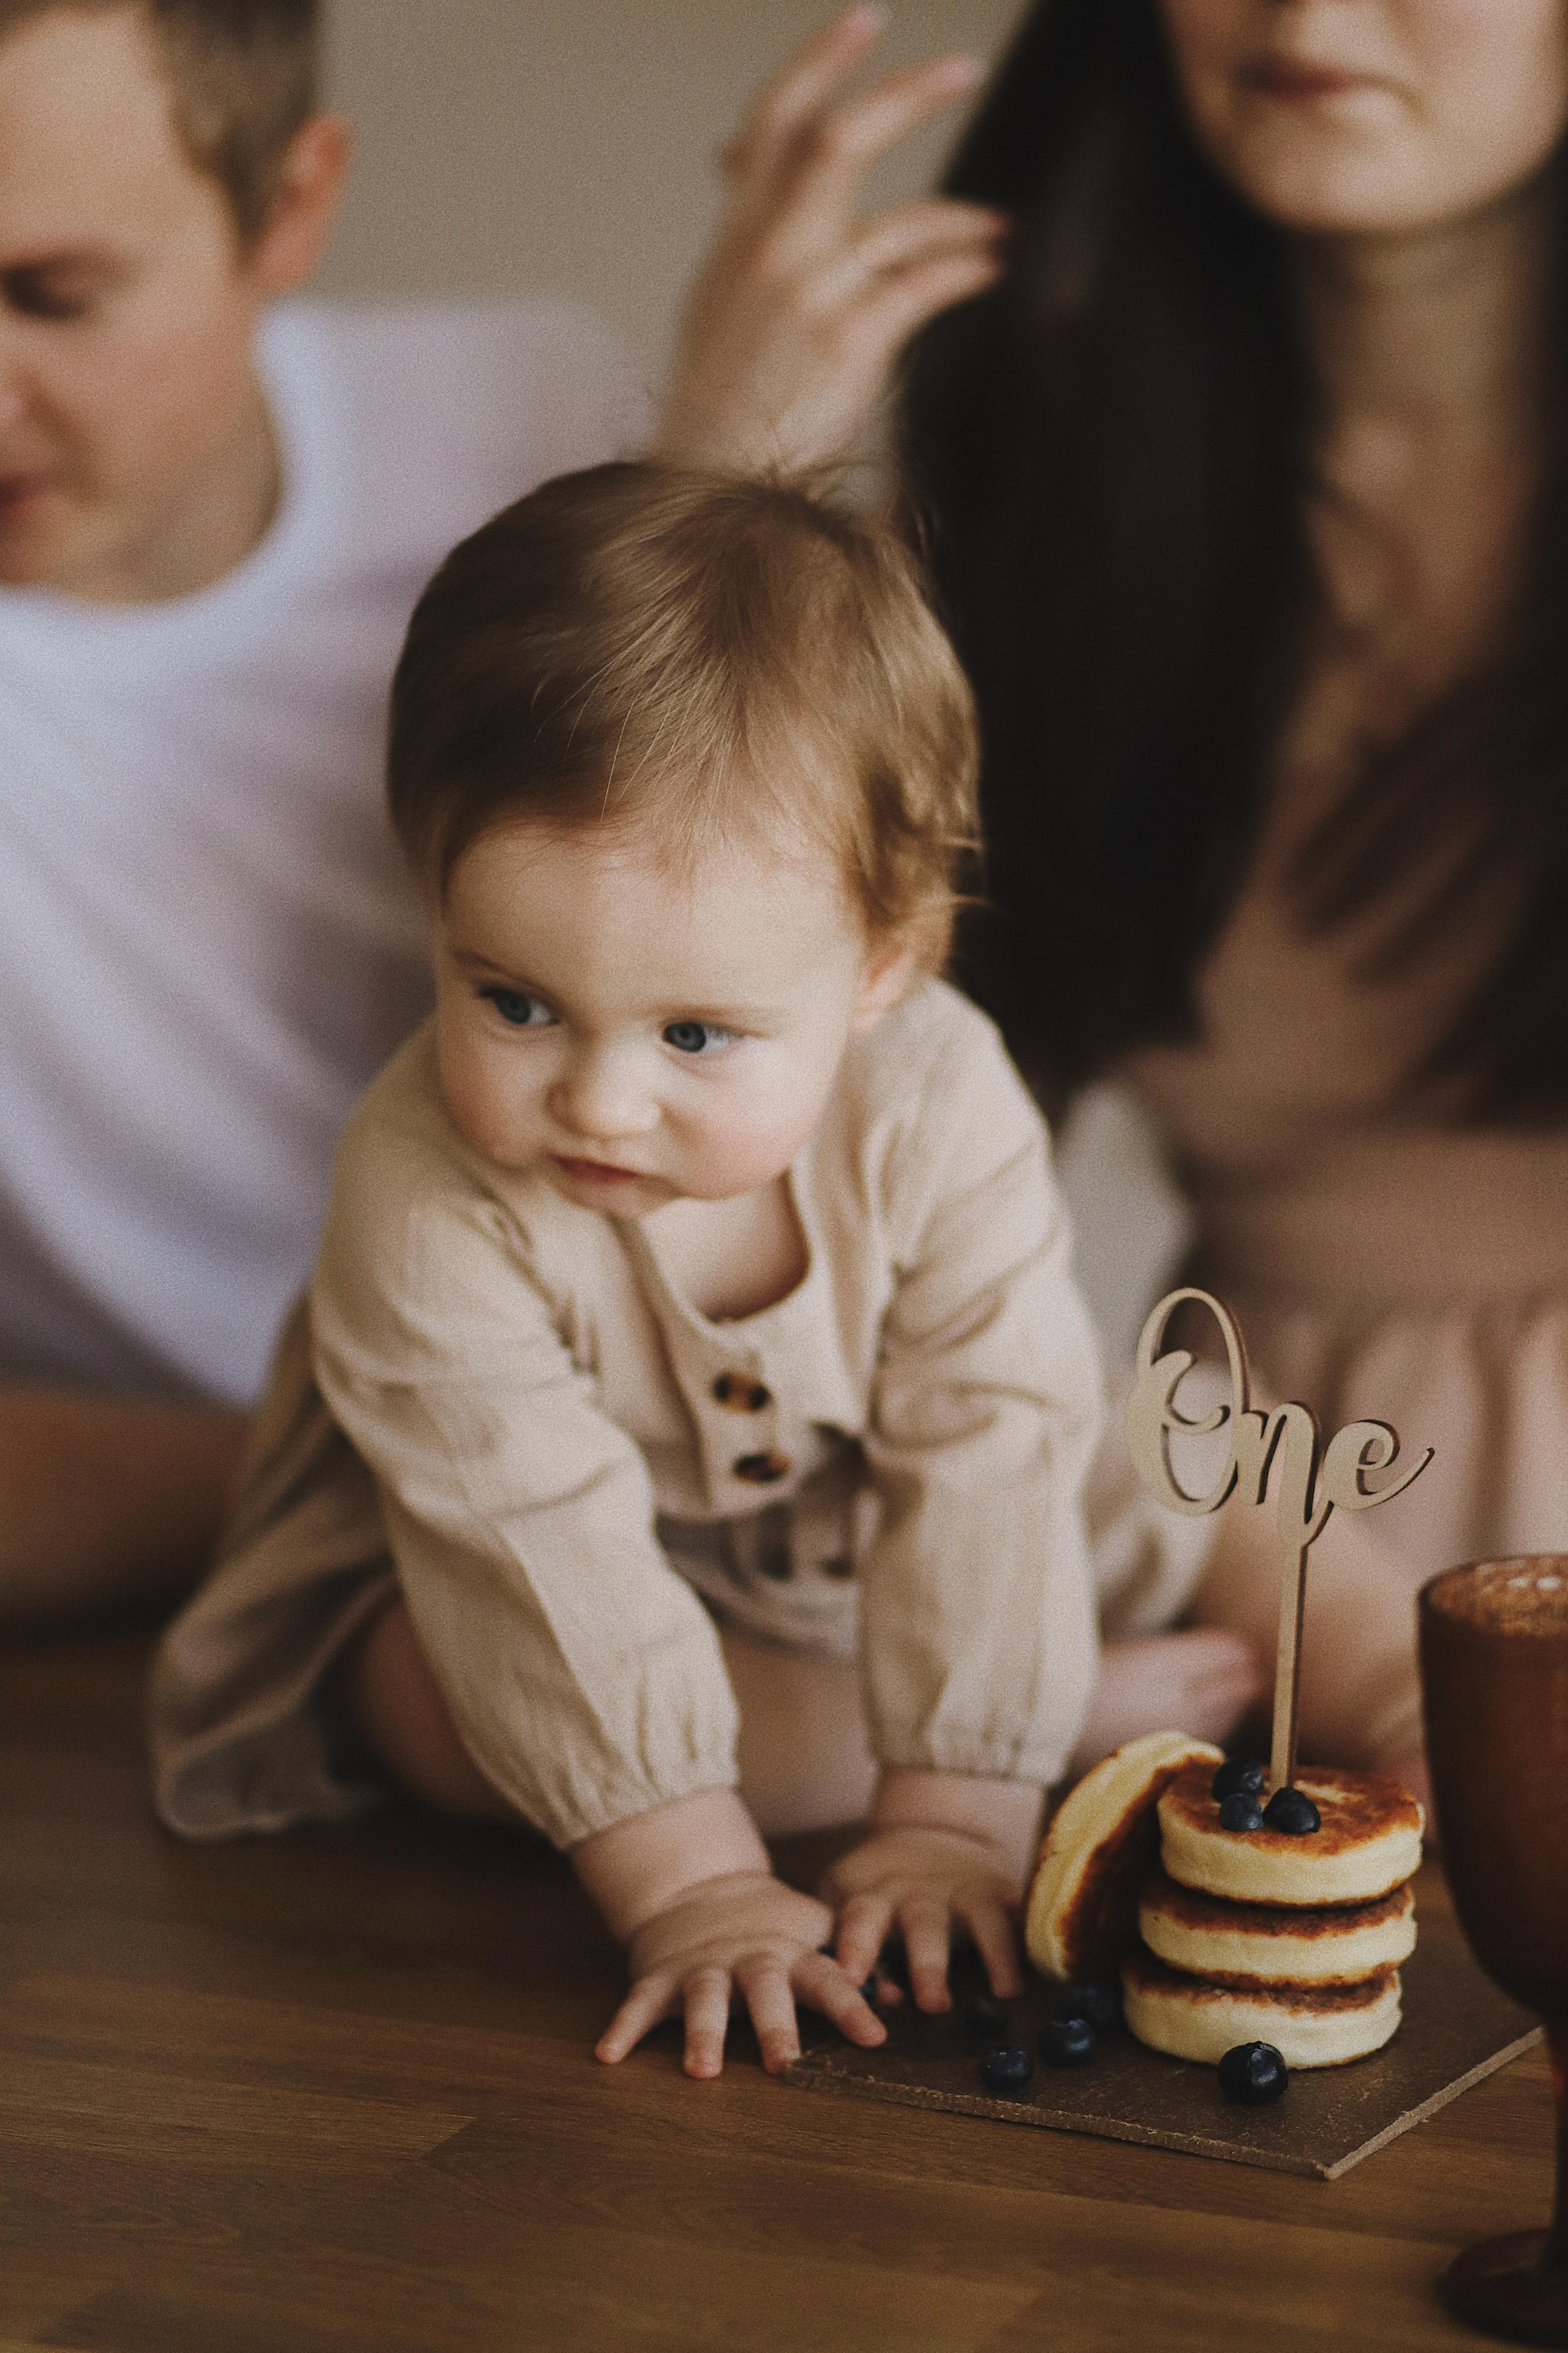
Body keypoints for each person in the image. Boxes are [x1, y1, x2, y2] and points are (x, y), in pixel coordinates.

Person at [657, 1, 1568, 1763]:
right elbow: (781, 1132)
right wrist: (712, 494)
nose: (1303, 14)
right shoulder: (1040, 488)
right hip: (1235, 1562)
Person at [149, 461, 1110, 2077]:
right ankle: (1069, 1712)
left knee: (1168, 1479)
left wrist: (957, 1818)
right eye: (514, 999)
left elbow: (998, 1437)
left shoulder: (940, 1100)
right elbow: (526, 1543)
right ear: (433, 892)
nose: (595, 1098)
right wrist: (700, 1886)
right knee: (435, 1717)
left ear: (885, 961)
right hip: (495, 1578)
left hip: (846, 1529)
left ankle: (1308, 1688)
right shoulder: (426, 1188)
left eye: (695, 1034)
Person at [0, 0, 641, 1618]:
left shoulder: (537, 434)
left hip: (647, 1481)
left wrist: (739, 454)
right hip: (201, 1592)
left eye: (49, 298)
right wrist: (396, 1480)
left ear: (288, 206)